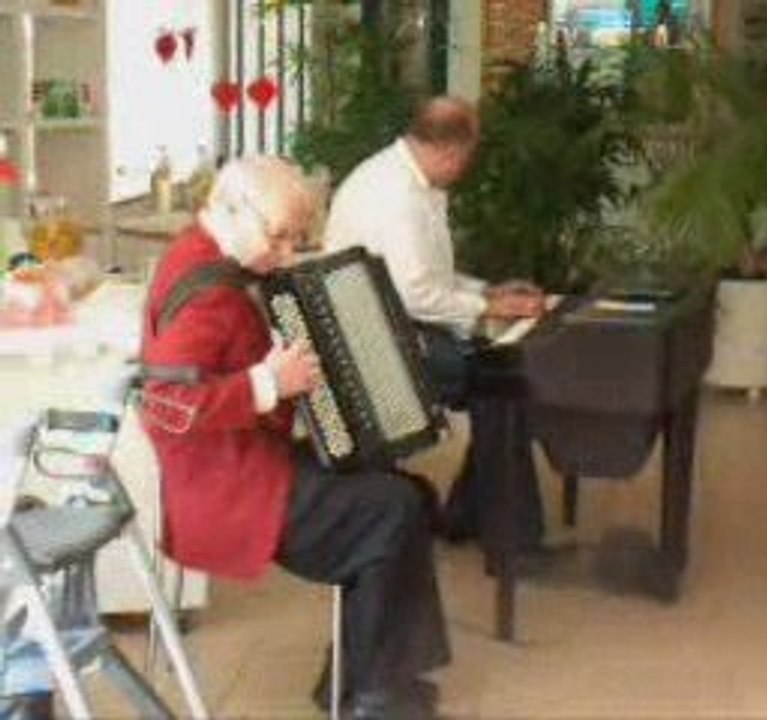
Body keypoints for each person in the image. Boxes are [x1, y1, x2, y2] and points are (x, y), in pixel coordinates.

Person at [140, 156, 449, 720]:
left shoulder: (201, 248)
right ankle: (375, 698)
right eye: (279, 237)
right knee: (394, 508)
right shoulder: (210, 292)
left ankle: (366, 680)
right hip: (227, 490)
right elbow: (163, 408)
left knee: (399, 490)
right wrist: (266, 384)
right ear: (231, 209)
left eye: (295, 241)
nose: (284, 256)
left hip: (240, 463)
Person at [324, 96, 548, 550]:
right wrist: (488, 309)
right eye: (468, 157)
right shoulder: (398, 196)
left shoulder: (407, 178)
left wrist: (487, 293)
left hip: (394, 324)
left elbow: (429, 278)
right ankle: (510, 539)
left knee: (503, 381)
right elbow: (416, 295)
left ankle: (475, 516)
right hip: (374, 346)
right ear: (452, 151)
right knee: (501, 382)